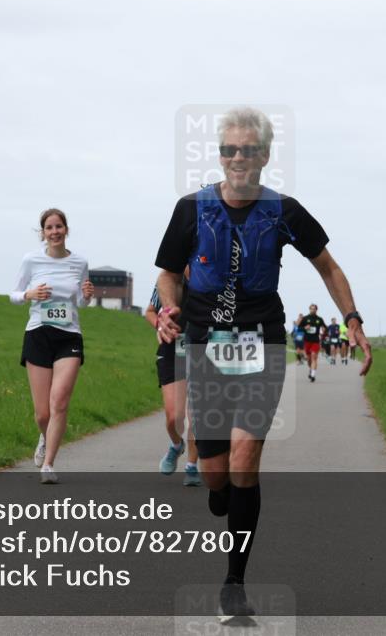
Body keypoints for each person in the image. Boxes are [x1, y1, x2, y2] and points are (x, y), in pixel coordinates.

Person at [154, 107, 372, 622]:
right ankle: (220, 490)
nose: (236, 159)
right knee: (215, 476)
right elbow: (166, 271)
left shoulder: (284, 211)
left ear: (265, 156)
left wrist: (352, 319)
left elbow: (328, 265)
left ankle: (234, 582)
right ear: (220, 154)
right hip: (206, 344)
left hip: (263, 345)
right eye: (228, 150)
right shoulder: (191, 209)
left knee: (245, 455)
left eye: (247, 150)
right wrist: (168, 311)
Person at [10, 208, 94, 485]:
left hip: (69, 336)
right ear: (43, 233)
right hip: (38, 334)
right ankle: (45, 438)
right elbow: (14, 296)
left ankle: (48, 465)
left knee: (59, 402)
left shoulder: (79, 262)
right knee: (42, 412)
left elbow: (81, 303)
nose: (55, 232)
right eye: (49, 228)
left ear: (66, 230)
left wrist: (86, 296)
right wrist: (29, 294)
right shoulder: (31, 260)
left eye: (59, 227)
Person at [145, 280, 201, 486]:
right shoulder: (167, 281)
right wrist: (161, 324)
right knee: (173, 417)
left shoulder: (209, 279)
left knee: (195, 414)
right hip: (171, 351)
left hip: (201, 352)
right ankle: (177, 446)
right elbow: (150, 311)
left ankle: (192, 466)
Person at [299, 304, 326, 381]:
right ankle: (311, 369)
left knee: (314, 356)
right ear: (309, 309)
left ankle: (313, 375)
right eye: (311, 309)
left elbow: (324, 327)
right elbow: (299, 328)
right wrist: (304, 327)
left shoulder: (319, 319)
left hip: (315, 341)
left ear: (316, 310)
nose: (312, 310)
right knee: (309, 359)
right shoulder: (305, 318)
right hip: (307, 341)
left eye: (314, 309)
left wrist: (324, 329)